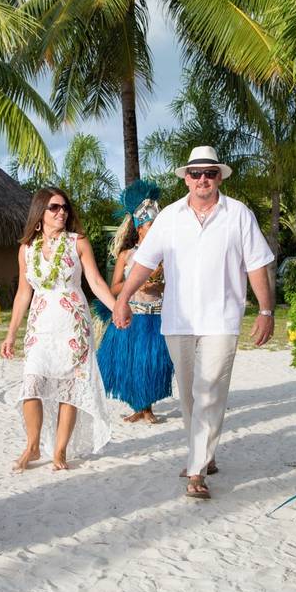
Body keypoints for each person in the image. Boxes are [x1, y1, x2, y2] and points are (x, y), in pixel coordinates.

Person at [112, 146, 275, 500]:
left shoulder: (239, 215)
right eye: (196, 173)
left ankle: (196, 469)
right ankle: (207, 453)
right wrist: (123, 298)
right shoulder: (169, 217)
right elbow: (143, 262)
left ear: (219, 176)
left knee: (209, 390)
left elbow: (256, 264)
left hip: (223, 318)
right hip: (178, 319)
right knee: (188, 395)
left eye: (210, 173)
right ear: (186, 178)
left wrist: (265, 311)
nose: (203, 179)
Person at [2, 188, 116, 471]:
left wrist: (117, 308)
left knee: (70, 387)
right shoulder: (26, 250)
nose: (61, 212)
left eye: (64, 207)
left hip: (73, 324)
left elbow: (96, 282)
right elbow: (22, 293)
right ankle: (32, 446)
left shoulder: (78, 243)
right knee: (31, 384)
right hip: (40, 325)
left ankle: (60, 451)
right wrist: (11, 332)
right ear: (40, 212)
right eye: (54, 207)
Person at [97, 179, 173, 424]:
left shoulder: (166, 254)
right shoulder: (127, 255)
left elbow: (174, 284)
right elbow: (116, 287)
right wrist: (139, 283)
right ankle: (138, 407)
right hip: (134, 316)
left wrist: (160, 284)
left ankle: (147, 408)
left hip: (158, 315)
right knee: (133, 363)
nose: (156, 229)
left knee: (152, 364)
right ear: (139, 228)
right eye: (151, 225)